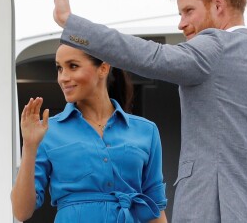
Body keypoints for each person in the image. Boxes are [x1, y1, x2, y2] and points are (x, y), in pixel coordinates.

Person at [53, 0, 247, 222]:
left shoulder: (215, 46)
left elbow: (151, 57)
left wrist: (70, 23)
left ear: (217, 4)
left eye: (188, 11)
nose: (181, 24)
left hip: (212, 209)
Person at [11, 43, 168, 223]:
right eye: (59, 68)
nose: (63, 77)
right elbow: (22, 211)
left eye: (73, 66)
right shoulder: (47, 131)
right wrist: (30, 146)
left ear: (103, 68)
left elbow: (155, 208)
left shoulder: (146, 131)